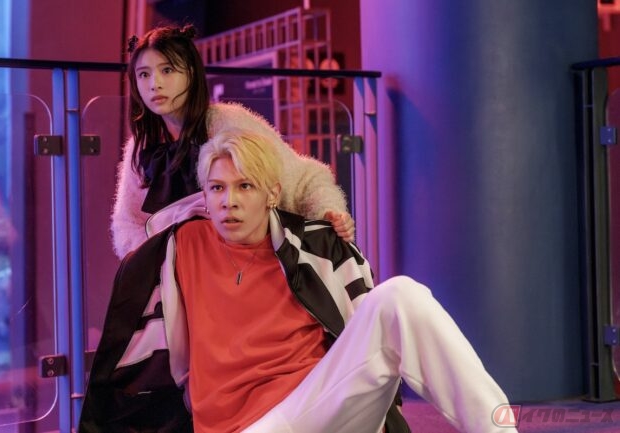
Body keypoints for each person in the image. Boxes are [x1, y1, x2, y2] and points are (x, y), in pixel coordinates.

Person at [79, 127, 518, 433]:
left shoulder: (308, 246)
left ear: (273, 193)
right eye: (217, 188)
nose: (229, 202)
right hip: (244, 427)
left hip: (320, 405)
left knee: (402, 295)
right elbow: (145, 227)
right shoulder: (183, 245)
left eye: (245, 186)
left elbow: (361, 328)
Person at [111, 24, 354, 259]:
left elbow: (305, 178)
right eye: (144, 74)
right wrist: (160, 262)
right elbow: (127, 224)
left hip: (248, 265)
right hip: (179, 273)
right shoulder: (141, 146)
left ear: (192, 73)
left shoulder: (228, 123)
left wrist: (328, 214)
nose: (155, 84)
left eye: (167, 70)